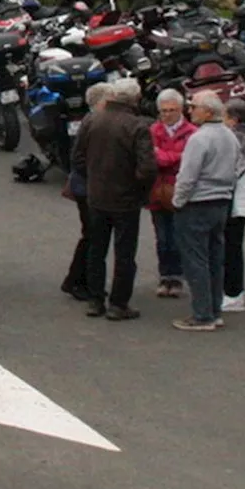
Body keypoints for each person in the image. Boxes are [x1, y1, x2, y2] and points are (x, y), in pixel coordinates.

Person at [72, 78, 157, 321]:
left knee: (96, 249)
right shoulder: (137, 126)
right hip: (125, 199)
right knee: (124, 253)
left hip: (97, 196)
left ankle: (95, 299)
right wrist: (140, 189)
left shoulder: (92, 120)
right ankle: (118, 303)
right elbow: (147, 168)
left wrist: (93, 178)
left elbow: (77, 158)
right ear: (135, 98)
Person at [170, 92, 239, 331]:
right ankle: (214, 310)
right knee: (215, 258)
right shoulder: (230, 136)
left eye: (194, 106)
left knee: (195, 260)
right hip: (221, 202)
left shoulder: (199, 139)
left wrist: (177, 201)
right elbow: (237, 166)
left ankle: (202, 315)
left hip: (197, 203)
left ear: (208, 112)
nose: (190, 110)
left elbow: (187, 176)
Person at [60, 82, 113, 301]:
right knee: (92, 235)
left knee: (92, 235)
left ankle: (78, 279)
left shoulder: (90, 122)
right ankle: (78, 281)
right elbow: (79, 159)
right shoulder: (92, 123)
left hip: (86, 186)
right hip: (87, 188)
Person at [149, 89, 197, 298]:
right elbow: (153, 159)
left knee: (178, 236)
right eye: (163, 111)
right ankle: (165, 275)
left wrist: (164, 156)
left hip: (181, 191)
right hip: (158, 192)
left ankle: (176, 276)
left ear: (181, 110)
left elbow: (188, 160)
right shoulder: (153, 130)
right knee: (162, 237)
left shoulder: (192, 132)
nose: (167, 115)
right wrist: (174, 157)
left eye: (172, 110)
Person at [222, 99, 245, 313]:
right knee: (231, 245)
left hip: (238, 200)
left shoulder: (239, 138)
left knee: (232, 247)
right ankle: (231, 291)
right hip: (239, 198)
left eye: (225, 116)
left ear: (233, 119)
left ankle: (234, 294)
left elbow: (234, 168)